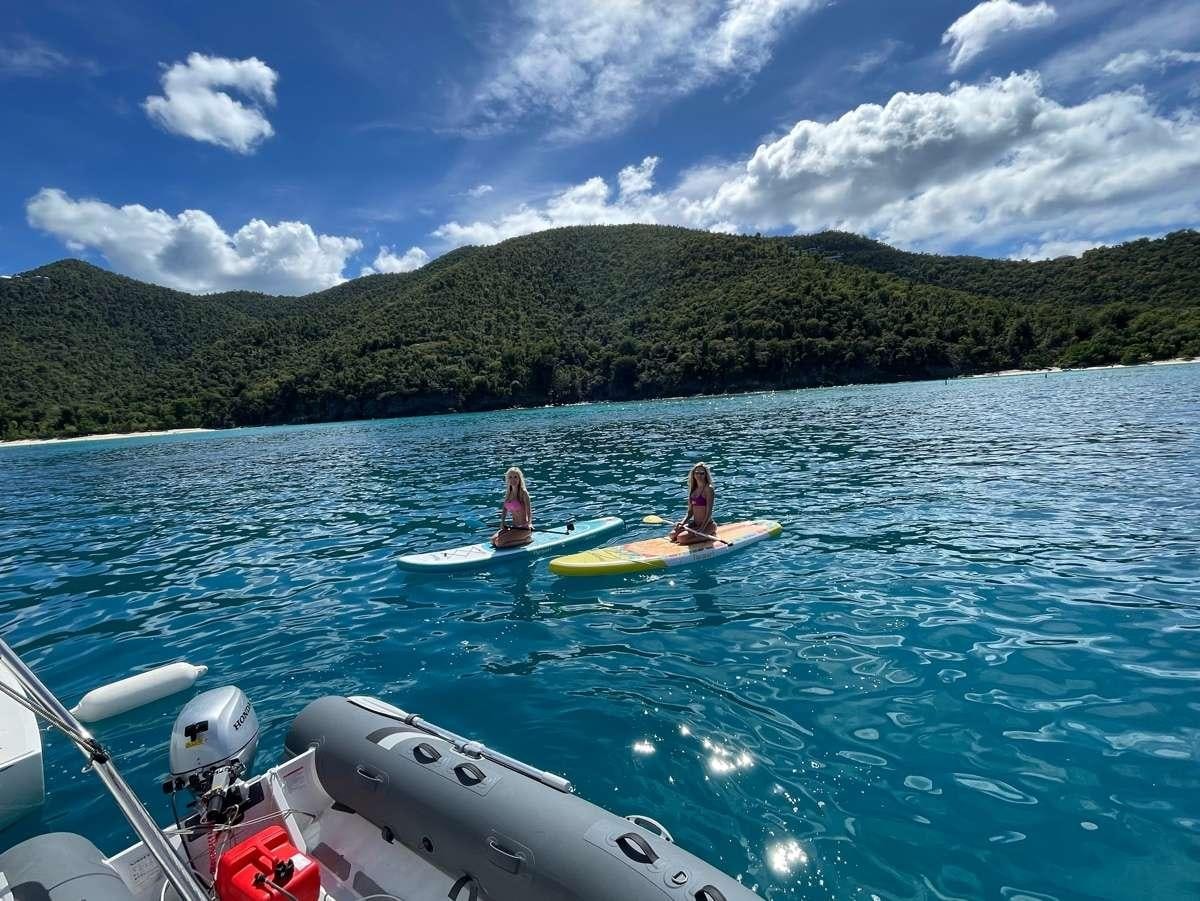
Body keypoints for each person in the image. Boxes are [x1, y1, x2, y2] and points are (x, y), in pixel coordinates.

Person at [670, 462, 717, 544]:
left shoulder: (708, 489)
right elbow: (690, 512)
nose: (699, 475)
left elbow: (709, 512)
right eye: (697, 473)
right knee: (672, 534)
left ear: (706, 475)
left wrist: (702, 528)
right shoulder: (693, 490)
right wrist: (682, 522)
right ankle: (697, 536)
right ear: (693, 474)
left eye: (702, 473)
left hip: (707, 525)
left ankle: (709, 535)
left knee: (681, 538)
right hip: (695, 524)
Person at [492, 466, 533, 548]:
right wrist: (502, 522)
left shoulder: (523, 493)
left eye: (515, 477)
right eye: (510, 477)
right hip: (514, 527)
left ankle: (526, 540)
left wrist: (529, 523)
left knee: (499, 543)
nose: (513, 479)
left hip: (524, 528)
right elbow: (504, 509)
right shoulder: (508, 493)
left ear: (519, 479)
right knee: (493, 540)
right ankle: (517, 538)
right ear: (507, 479)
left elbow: (529, 511)